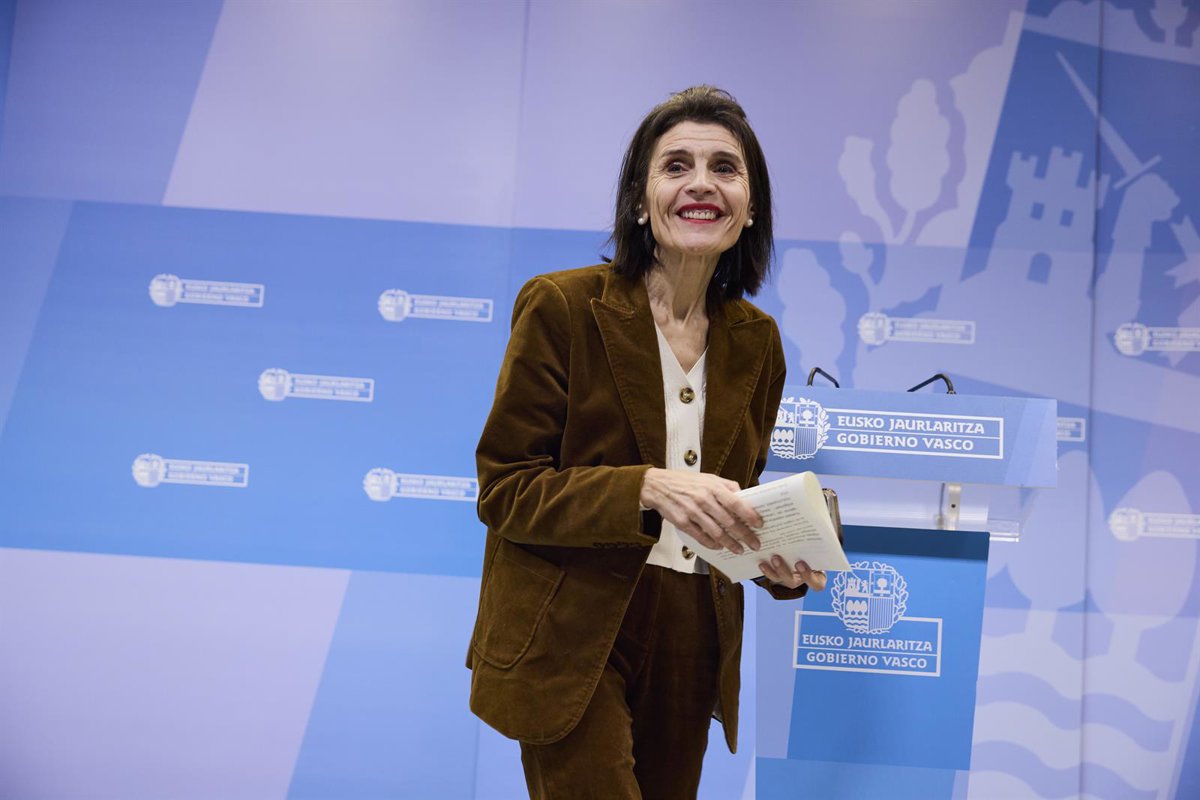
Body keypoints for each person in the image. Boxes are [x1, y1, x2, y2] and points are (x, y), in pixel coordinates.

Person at [467, 86, 827, 799]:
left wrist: (781, 559)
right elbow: (506, 488)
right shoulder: (563, 306)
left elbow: (734, 498)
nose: (702, 183)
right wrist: (647, 487)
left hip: (692, 633)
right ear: (640, 200)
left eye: (725, 168)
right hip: (570, 626)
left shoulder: (759, 340)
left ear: (750, 207)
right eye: (676, 166)